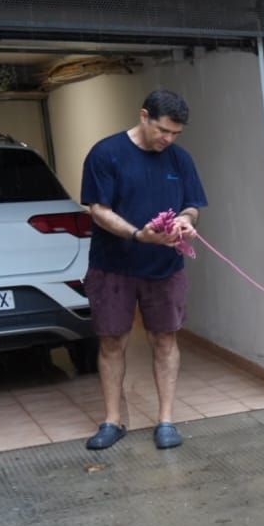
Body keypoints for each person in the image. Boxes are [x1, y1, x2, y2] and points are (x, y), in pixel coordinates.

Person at [79, 89, 208, 451]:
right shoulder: (106, 154)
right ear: (144, 116)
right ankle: (111, 420)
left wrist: (184, 220)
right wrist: (138, 235)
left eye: (175, 134)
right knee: (112, 341)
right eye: (163, 130)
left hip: (165, 266)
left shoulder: (180, 160)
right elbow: (97, 209)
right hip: (112, 266)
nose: (168, 139)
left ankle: (166, 421)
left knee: (165, 339)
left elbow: (193, 205)